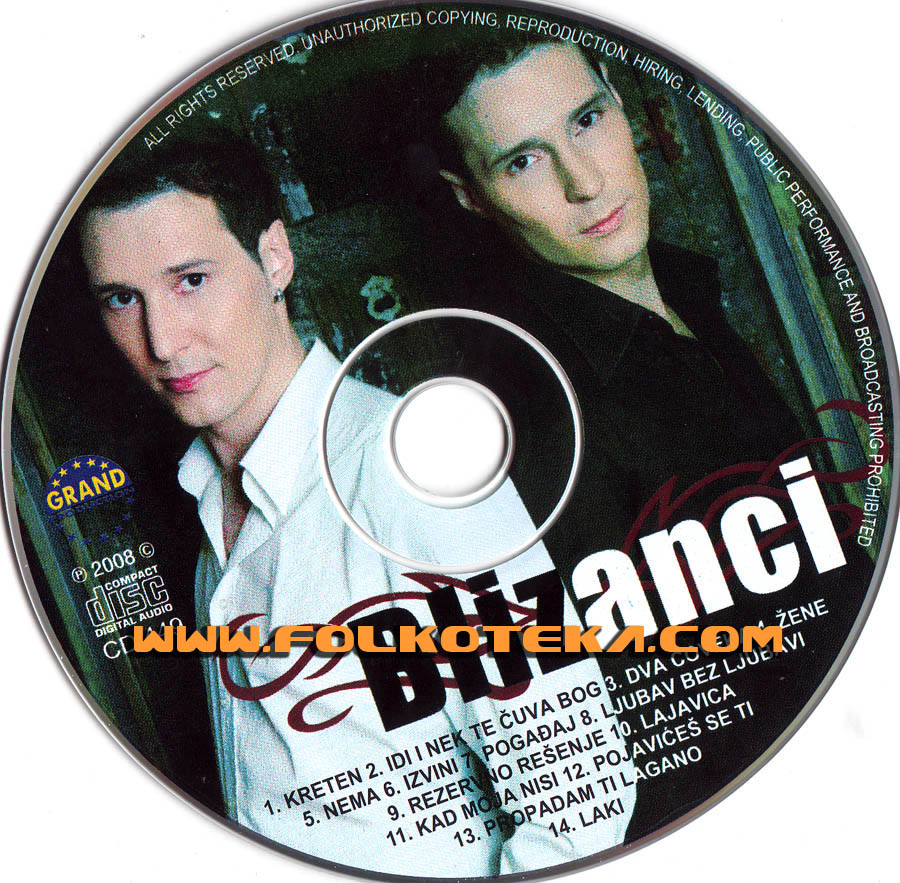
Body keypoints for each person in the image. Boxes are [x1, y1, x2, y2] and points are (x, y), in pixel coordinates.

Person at [75, 134, 635, 875]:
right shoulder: (209, 498)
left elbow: (581, 795)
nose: (163, 340)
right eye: (122, 298)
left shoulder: (411, 470)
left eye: (192, 280)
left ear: (275, 258)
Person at [421, 34, 872, 840]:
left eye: (587, 121)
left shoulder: (690, 293)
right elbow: (654, 735)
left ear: (621, 103)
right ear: (472, 196)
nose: (586, 183)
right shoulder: (536, 423)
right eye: (523, 162)